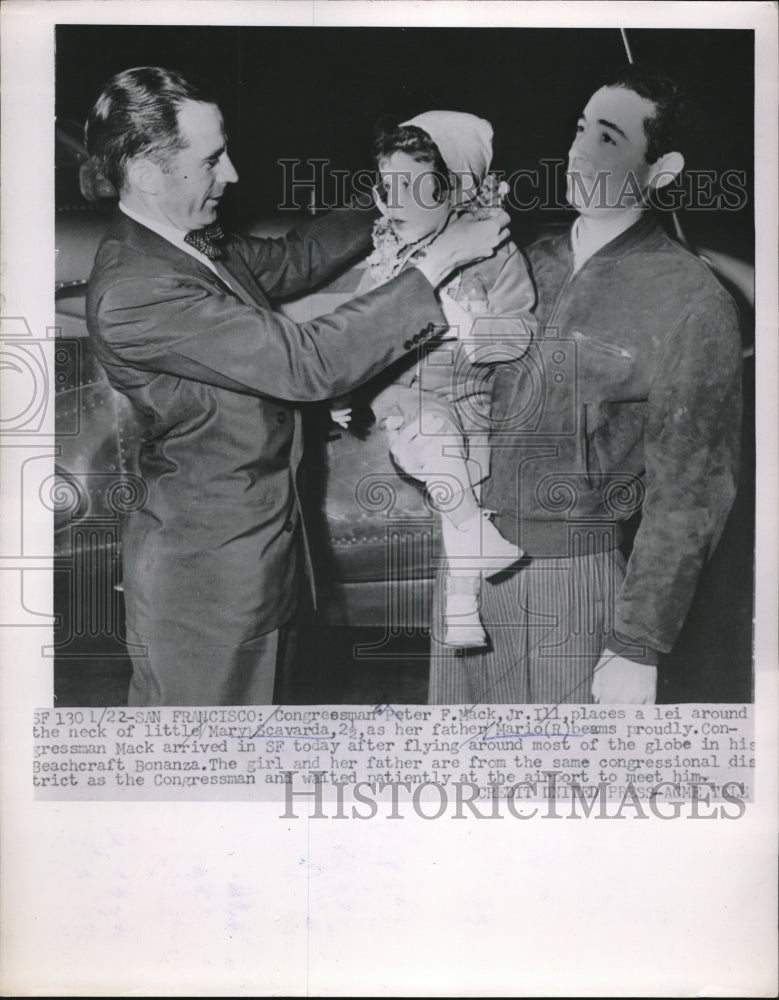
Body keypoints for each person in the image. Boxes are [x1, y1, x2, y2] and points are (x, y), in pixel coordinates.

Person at [84, 67, 509, 707]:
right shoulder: (137, 288)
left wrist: (411, 190)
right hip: (206, 594)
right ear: (147, 174)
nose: (231, 174)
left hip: (263, 563)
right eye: (211, 160)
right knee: (208, 787)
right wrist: (439, 258)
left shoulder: (189, 245)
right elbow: (308, 362)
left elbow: (294, 260)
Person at [393, 66, 743, 704]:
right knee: (461, 785)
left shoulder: (693, 300)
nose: (578, 150)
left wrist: (639, 644)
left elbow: (689, 495)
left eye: (607, 138)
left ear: (661, 170)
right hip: (470, 564)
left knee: (566, 791)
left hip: (576, 581)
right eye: (580, 129)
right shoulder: (517, 258)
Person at [331, 111, 536, 647]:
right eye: (384, 187)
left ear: (459, 194)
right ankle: (478, 540)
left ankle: (462, 609)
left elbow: (521, 328)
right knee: (441, 445)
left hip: (470, 398)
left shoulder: (495, 259)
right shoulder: (386, 259)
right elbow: (352, 333)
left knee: (460, 481)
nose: (390, 203)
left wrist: (473, 327)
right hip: (407, 399)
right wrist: (344, 390)